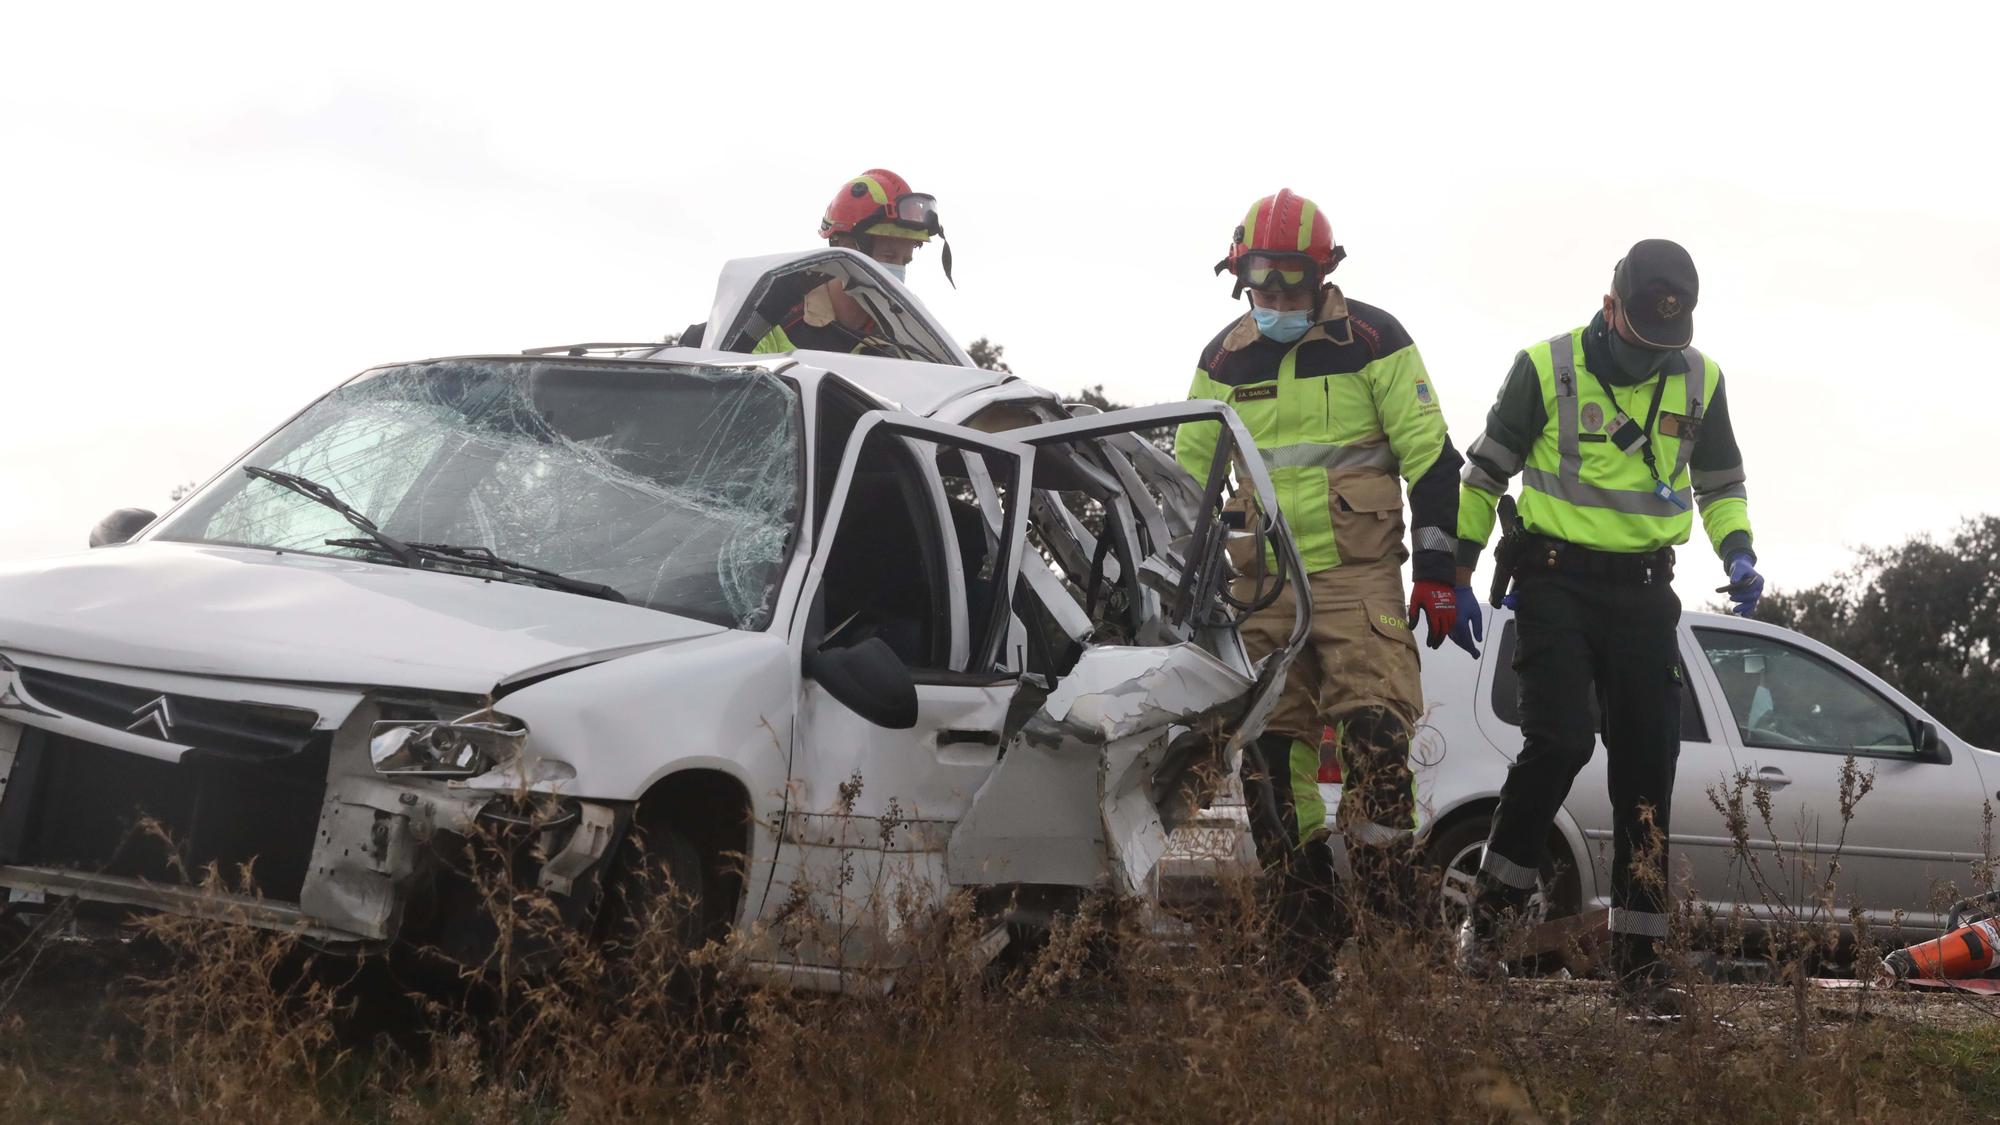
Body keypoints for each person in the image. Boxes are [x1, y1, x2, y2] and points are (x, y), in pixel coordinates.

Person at [1453, 238, 1764, 1015]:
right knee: (1559, 741)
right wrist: (1453, 571)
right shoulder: (1545, 366)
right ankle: (1485, 925)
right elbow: (1485, 471)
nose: (1653, 353)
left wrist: (1740, 549)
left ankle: (1640, 966)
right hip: (1555, 581)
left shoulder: (1700, 377)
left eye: (1668, 340)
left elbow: (1720, 482)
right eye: (1639, 336)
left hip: (1645, 591)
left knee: (1647, 769)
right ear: (1609, 306)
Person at [1173, 189, 1475, 945]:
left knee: (1377, 736)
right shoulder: (1222, 360)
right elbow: (1187, 486)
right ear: (1242, 277)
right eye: (1260, 285)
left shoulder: (1375, 342)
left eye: (1289, 285)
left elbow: (1434, 462)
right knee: (1270, 756)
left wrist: (1439, 572)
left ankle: (1386, 920)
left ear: (1322, 274)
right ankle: (1304, 921)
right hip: (1262, 586)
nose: (1274, 299)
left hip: (1356, 577)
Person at [677, 168, 950, 354]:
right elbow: (707, 361)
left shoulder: (905, 339)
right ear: (844, 246)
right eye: (888, 256)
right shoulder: (777, 317)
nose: (897, 271)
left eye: (905, 261)